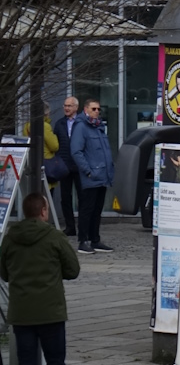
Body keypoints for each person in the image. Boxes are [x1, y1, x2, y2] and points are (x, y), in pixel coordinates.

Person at [0, 191, 82, 365]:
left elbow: (4, 272)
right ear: (44, 212)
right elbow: (73, 269)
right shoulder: (53, 237)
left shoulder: (10, 238)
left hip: (22, 312)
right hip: (51, 312)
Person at [69, 98, 115, 254]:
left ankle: (95, 240)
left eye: (98, 109)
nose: (97, 112)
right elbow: (76, 151)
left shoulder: (98, 126)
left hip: (102, 175)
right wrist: (87, 170)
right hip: (91, 175)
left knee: (97, 209)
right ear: (86, 109)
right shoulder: (81, 126)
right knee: (87, 209)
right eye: (94, 109)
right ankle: (83, 241)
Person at [52, 97, 82, 236]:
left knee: (83, 197)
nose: (66, 108)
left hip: (80, 165)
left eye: (69, 106)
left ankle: (83, 226)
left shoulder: (82, 122)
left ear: (76, 107)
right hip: (64, 166)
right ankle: (70, 227)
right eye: (65, 105)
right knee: (65, 197)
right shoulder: (59, 124)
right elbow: (56, 144)